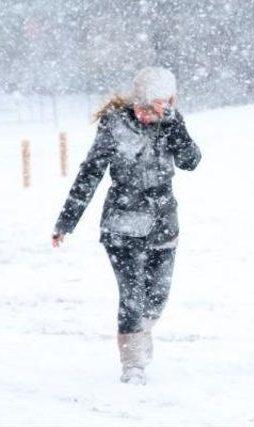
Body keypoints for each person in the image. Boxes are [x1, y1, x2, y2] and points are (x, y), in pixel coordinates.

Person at [51, 66, 201, 385]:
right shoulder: (114, 123)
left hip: (163, 222)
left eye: (153, 109)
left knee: (157, 296)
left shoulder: (172, 123)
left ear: (169, 102)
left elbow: (191, 161)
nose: (145, 115)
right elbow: (90, 172)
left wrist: (173, 124)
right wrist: (67, 220)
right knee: (132, 295)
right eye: (141, 107)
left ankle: (139, 335)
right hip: (121, 223)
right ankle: (133, 365)